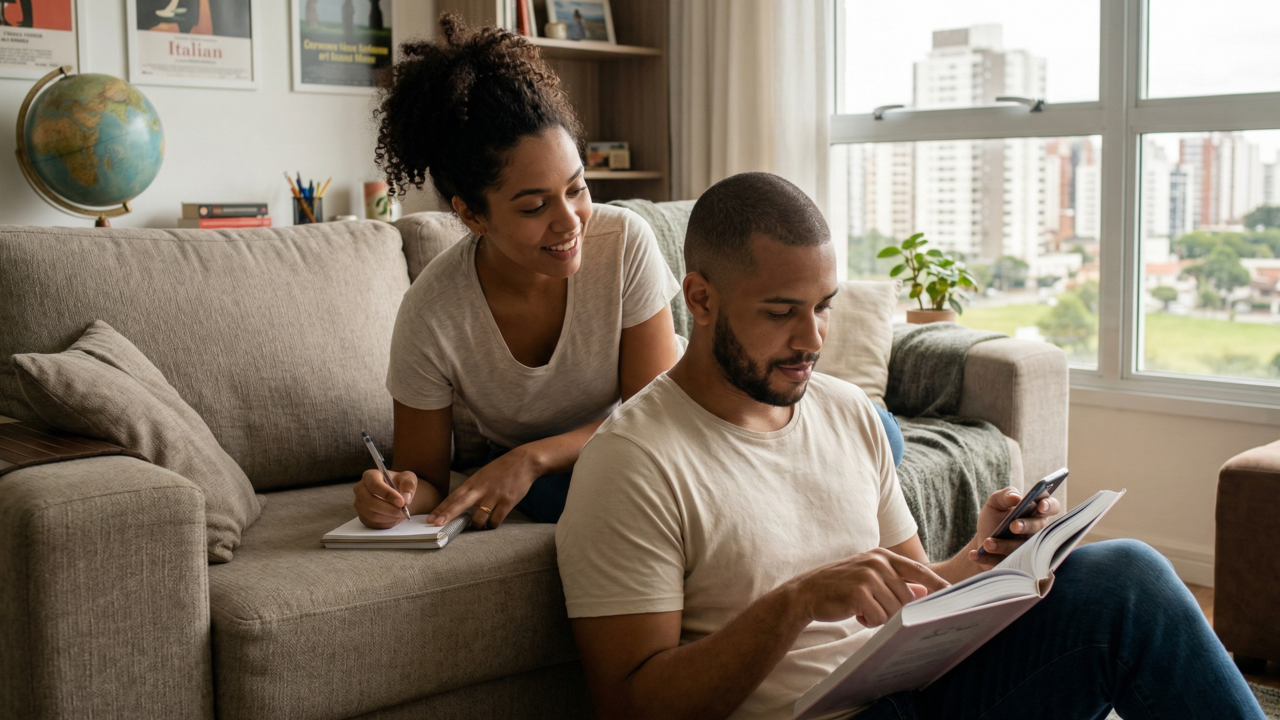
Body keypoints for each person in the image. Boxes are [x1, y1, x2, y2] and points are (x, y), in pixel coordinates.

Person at [555, 172, 1266, 720]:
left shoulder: (847, 411)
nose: (811, 340)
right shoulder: (634, 460)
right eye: (781, 312)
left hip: (915, 696)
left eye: (823, 307)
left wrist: (989, 554)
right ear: (700, 299)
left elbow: (918, 593)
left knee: (1126, 578)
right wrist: (797, 602)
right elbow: (630, 705)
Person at [352, 15, 682, 530]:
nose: (570, 221)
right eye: (534, 207)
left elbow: (656, 420)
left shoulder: (623, 242)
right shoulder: (431, 313)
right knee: (584, 501)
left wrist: (530, 458)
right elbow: (426, 480)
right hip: (557, 481)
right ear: (472, 215)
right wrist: (394, 497)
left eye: (576, 188)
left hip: (655, 444)